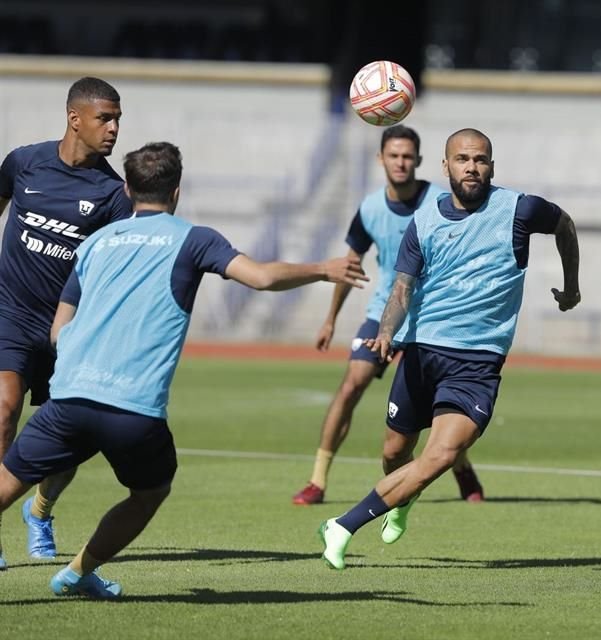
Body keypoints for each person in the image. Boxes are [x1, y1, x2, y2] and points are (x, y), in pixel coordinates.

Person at [0, 141, 366, 597]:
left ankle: (52, 534)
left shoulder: (96, 242)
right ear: (177, 191)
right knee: (149, 492)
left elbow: (59, 330)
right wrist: (324, 268)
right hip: (132, 410)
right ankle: (77, 572)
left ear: (128, 188)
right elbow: (263, 278)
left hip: (69, 397)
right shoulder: (195, 239)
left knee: (8, 480)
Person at [317, 127, 581, 570]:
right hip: (421, 353)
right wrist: (385, 333)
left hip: (476, 364)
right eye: (462, 160)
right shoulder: (424, 221)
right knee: (394, 454)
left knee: (439, 455)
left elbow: (565, 226)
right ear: (446, 167)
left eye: (480, 160)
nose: (471, 167)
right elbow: (402, 288)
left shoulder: (519, 209)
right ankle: (400, 500)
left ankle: (342, 525)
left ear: (491, 167)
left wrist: (572, 286)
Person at [292, 125, 484, 506]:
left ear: (420, 161)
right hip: (385, 312)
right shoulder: (369, 209)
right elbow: (350, 265)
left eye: (408, 156)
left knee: (434, 406)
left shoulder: (440, 201)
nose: (401, 162)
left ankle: (461, 467)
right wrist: (331, 319)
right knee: (352, 384)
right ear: (381, 159)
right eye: (394, 155)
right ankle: (317, 480)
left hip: (432, 317)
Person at [0, 77, 134, 569]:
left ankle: (40, 511)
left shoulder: (113, 193)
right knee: (4, 408)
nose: (115, 128)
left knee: (71, 436)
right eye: (106, 118)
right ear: (74, 118)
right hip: (10, 312)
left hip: (72, 328)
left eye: (119, 119)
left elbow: (121, 267)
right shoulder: (23, 162)